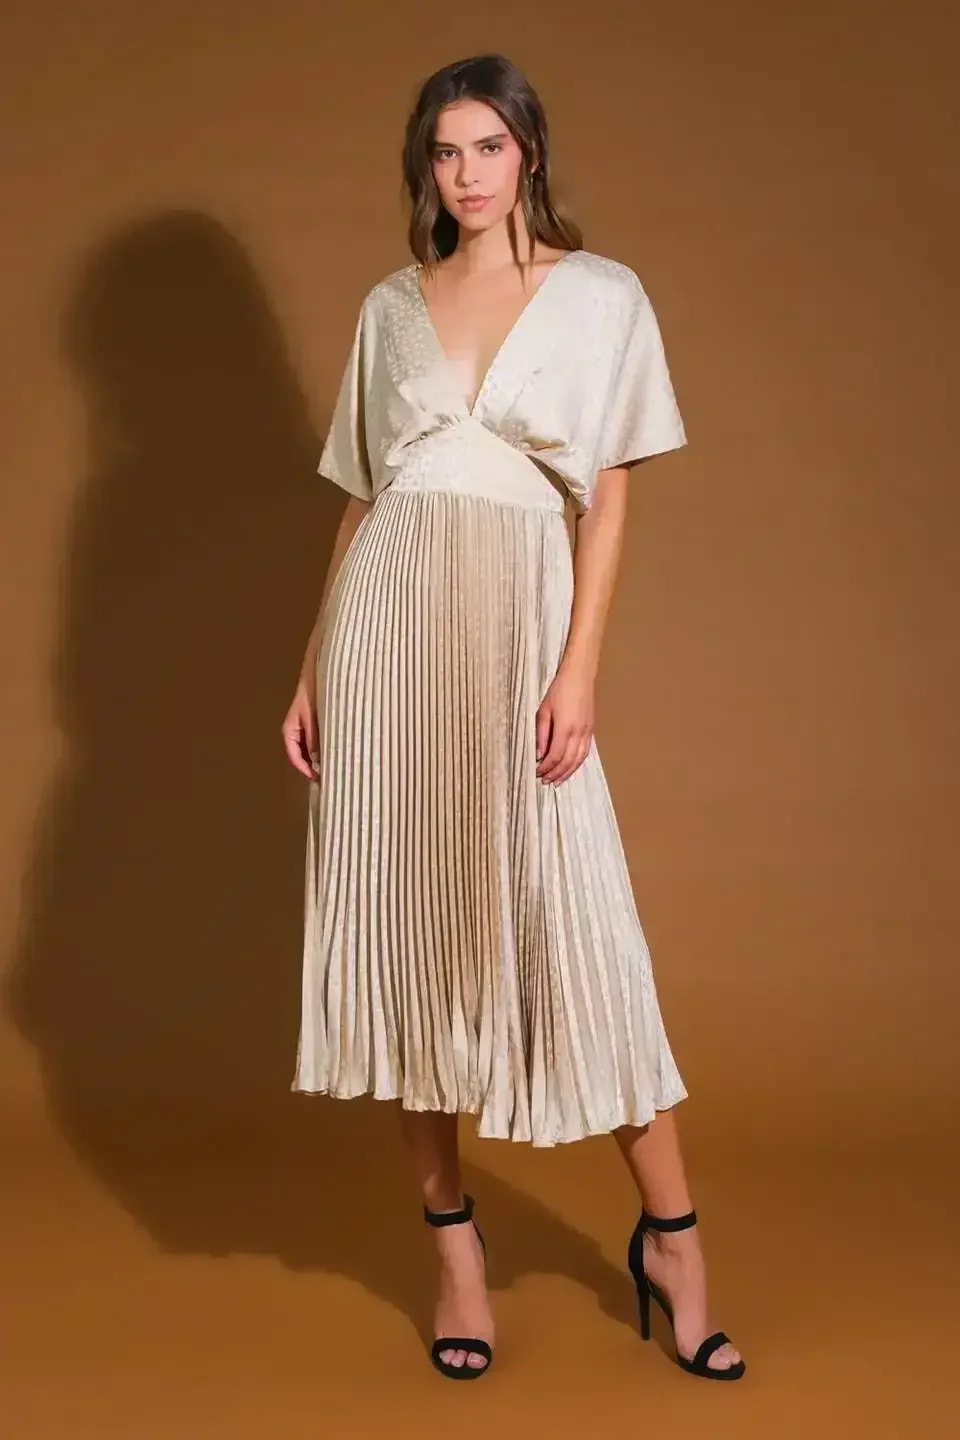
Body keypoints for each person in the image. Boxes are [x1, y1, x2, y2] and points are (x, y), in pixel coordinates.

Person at [281, 52, 745, 1384]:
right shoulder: (393, 305)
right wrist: (315, 665)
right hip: (386, 646)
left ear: (529, 153)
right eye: (445, 152)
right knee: (413, 937)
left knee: (580, 938)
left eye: (489, 146)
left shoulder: (601, 298)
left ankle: (675, 1239)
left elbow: (607, 497)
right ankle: (456, 1255)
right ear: (425, 168)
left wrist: (579, 668)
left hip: (522, 642)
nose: (468, 173)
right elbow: (364, 499)